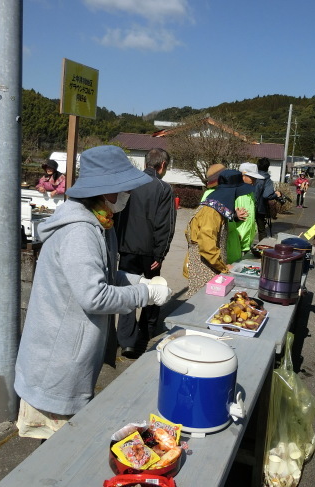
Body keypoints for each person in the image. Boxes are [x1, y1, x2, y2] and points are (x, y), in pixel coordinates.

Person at [14, 145, 172, 440]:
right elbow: (94, 296)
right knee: (58, 452)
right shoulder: (80, 231)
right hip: (57, 361)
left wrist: (139, 282)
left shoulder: (102, 223)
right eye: (124, 189)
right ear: (106, 190)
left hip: (69, 353)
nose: (127, 195)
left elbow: (104, 274)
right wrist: (145, 296)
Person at [115, 148, 176, 359]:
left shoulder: (128, 184)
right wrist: (160, 254)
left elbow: (116, 215)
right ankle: (146, 333)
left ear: (146, 164)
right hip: (150, 252)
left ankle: (126, 340)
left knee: (128, 291)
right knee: (153, 291)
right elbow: (165, 226)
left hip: (125, 248)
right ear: (162, 166)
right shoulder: (163, 188)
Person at [184, 169, 249, 297]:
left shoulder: (216, 207)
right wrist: (224, 267)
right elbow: (207, 247)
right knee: (202, 305)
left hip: (212, 266)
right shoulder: (211, 212)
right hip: (204, 269)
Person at [201, 165, 251, 264]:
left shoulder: (224, 197)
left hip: (230, 248)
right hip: (217, 259)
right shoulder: (211, 198)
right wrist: (222, 266)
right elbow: (207, 239)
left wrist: (234, 216)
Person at [237, 162, 264, 254]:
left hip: (247, 241)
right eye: (252, 177)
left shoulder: (251, 192)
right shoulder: (235, 191)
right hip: (236, 241)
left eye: (255, 178)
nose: (254, 180)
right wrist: (234, 215)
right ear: (242, 175)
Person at [254, 157, 283, 241]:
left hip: (249, 206)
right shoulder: (267, 180)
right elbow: (267, 195)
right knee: (262, 230)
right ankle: (261, 249)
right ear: (268, 167)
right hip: (260, 208)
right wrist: (276, 194)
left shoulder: (252, 177)